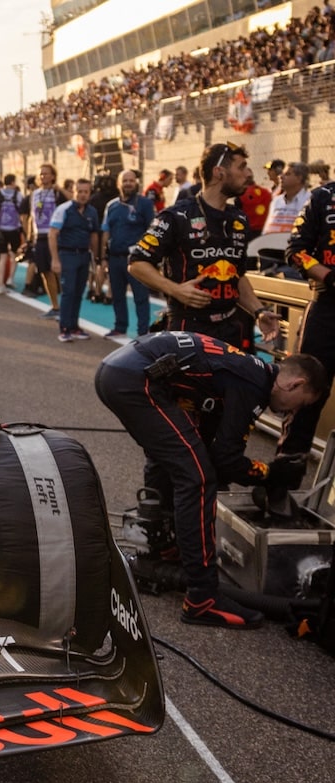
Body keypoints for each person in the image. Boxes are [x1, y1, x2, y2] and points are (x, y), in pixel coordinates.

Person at [96, 331, 325, 629]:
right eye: (300, 404)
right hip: (135, 379)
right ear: (296, 384)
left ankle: (165, 548)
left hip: (120, 370)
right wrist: (270, 473)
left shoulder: (248, 371)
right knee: (197, 478)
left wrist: (262, 473)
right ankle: (203, 598)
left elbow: (215, 451)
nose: (292, 412)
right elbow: (227, 461)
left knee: (177, 461)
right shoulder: (253, 383)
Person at [129, 142, 279, 351]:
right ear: (219, 172)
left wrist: (258, 311)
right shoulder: (176, 216)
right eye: (241, 166)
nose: (248, 173)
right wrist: (175, 290)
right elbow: (137, 262)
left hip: (231, 329)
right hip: (188, 328)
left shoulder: (239, 219)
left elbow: (238, 275)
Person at [281, 176, 335, 458]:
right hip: (327, 309)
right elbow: (296, 251)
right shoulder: (323, 197)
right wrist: (328, 275)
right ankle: (283, 482)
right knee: (305, 396)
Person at [100, 169, 156, 338]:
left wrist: (150, 257)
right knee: (117, 295)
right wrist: (103, 257)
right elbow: (105, 232)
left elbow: (152, 230)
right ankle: (120, 326)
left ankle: (143, 332)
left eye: (131, 180)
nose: (128, 183)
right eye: (125, 180)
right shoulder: (111, 206)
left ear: (136, 183)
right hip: (115, 258)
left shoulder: (145, 204)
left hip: (137, 260)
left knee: (141, 297)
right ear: (119, 184)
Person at [49, 178, 101, 343]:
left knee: (79, 292)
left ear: (90, 193)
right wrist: (55, 260)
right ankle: (64, 328)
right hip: (68, 255)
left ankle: (74, 326)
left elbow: (94, 235)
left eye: (86, 192)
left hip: (84, 256)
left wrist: (97, 258)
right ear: (74, 192)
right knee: (68, 291)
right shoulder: (63, 209)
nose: (83, 195)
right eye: (80, 191)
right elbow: (52, 234)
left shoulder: (92, 212)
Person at [22, 164, 66, 317]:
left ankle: (66, 306)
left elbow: (72, 203)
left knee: (59, 271)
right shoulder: (35, 194)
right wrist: (29, 237)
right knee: (44, 272)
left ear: (53, 176)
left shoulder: (57, 193)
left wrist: (60, 189)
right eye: (41, 174)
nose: (43, 177)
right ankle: (55, 306)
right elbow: (32, 217)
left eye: (46, 174)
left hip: (55, 236)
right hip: (39, 237)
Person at [0, 173, 25, 293]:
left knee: (2, 256)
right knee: (14, 255)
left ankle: (0, 285)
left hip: (1, 228)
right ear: (12, 182)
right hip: (14, 228)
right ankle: (10, 278)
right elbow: (21, 213)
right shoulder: (19, 195)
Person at [262, 162, 311, 235]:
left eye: (287, 174)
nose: (280, 177)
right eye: (282, 174)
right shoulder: (276, 201)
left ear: (299, 178)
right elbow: (266, 230)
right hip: (271, 244)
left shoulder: (310, 200)